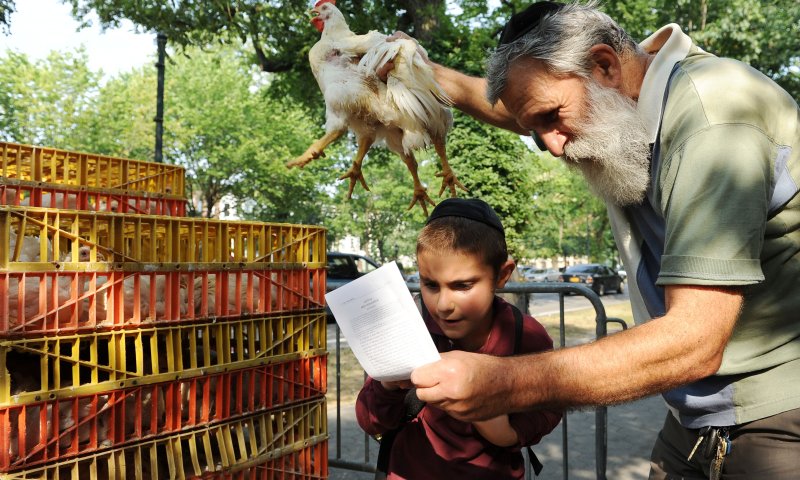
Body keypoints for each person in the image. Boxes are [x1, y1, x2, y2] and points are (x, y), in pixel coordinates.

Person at [385, 1, 800, 478]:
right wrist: (421, 70)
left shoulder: (717, 116)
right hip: (694, 422)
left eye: (550, 118)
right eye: (536, 133)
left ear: (604, 65)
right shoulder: (626, 94)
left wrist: (504, 382)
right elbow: (523, 106)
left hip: (777, 423)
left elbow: (695, 340)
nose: (554, 147)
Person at [355, 198, 562, 479]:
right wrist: (386, 387)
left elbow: (550, 404)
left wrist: (510, 434)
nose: (443, 305)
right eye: (430, 284)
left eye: (462, 286)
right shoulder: (409, 327)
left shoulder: (525, 335)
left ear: (502, 274)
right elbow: (370, 420)